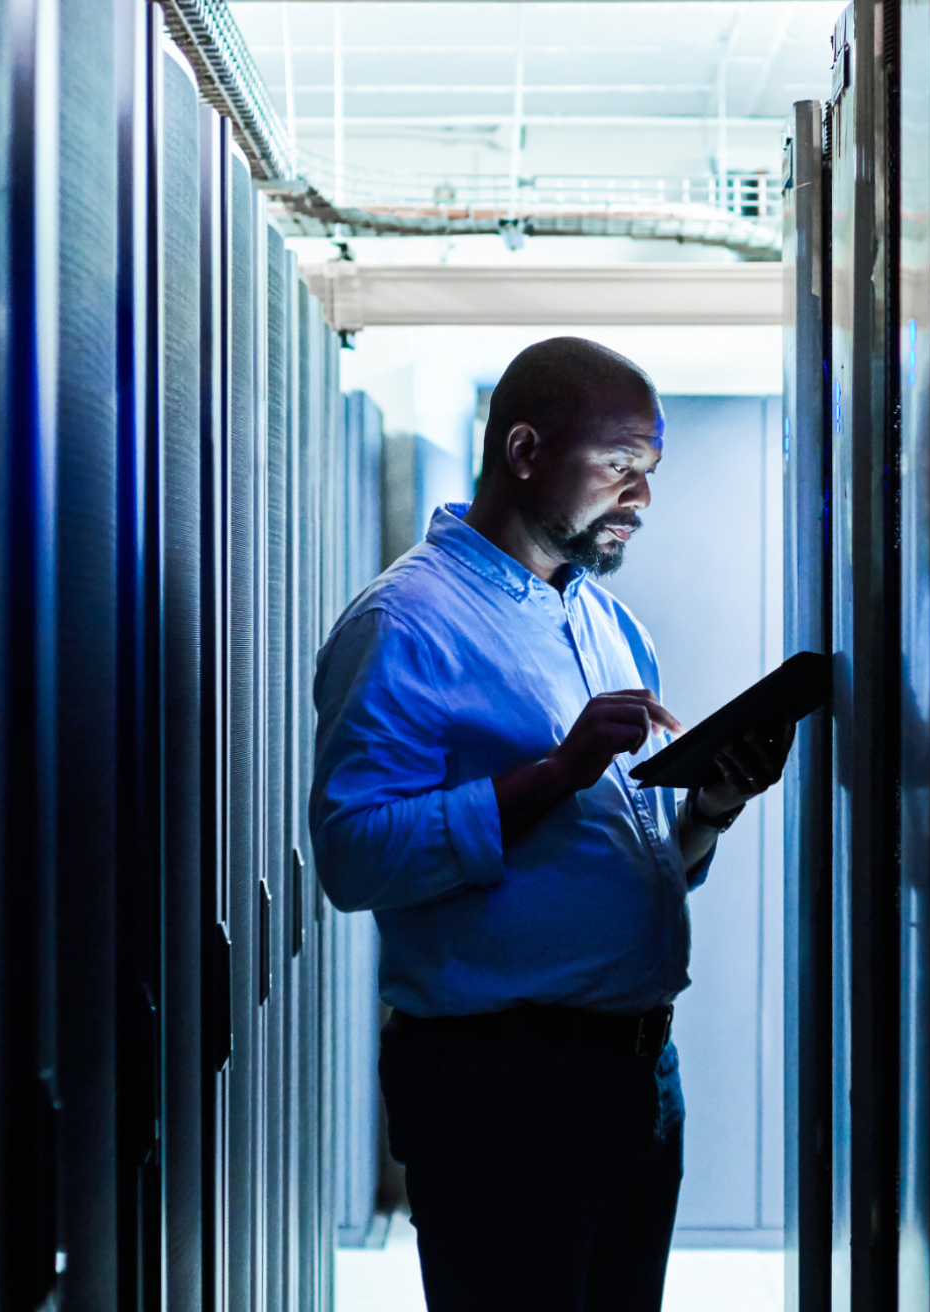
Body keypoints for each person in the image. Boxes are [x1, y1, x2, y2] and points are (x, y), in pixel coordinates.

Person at [309, 336, 794, 1311]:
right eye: (618, 466)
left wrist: (707, 807)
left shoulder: (604, 622)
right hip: (497, 1085)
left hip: (634, 1074)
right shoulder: (405, 623)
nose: (639, 498)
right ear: (524, 450)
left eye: (648, 472)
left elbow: (635, 854)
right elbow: (351, 856)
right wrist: (554, 771)